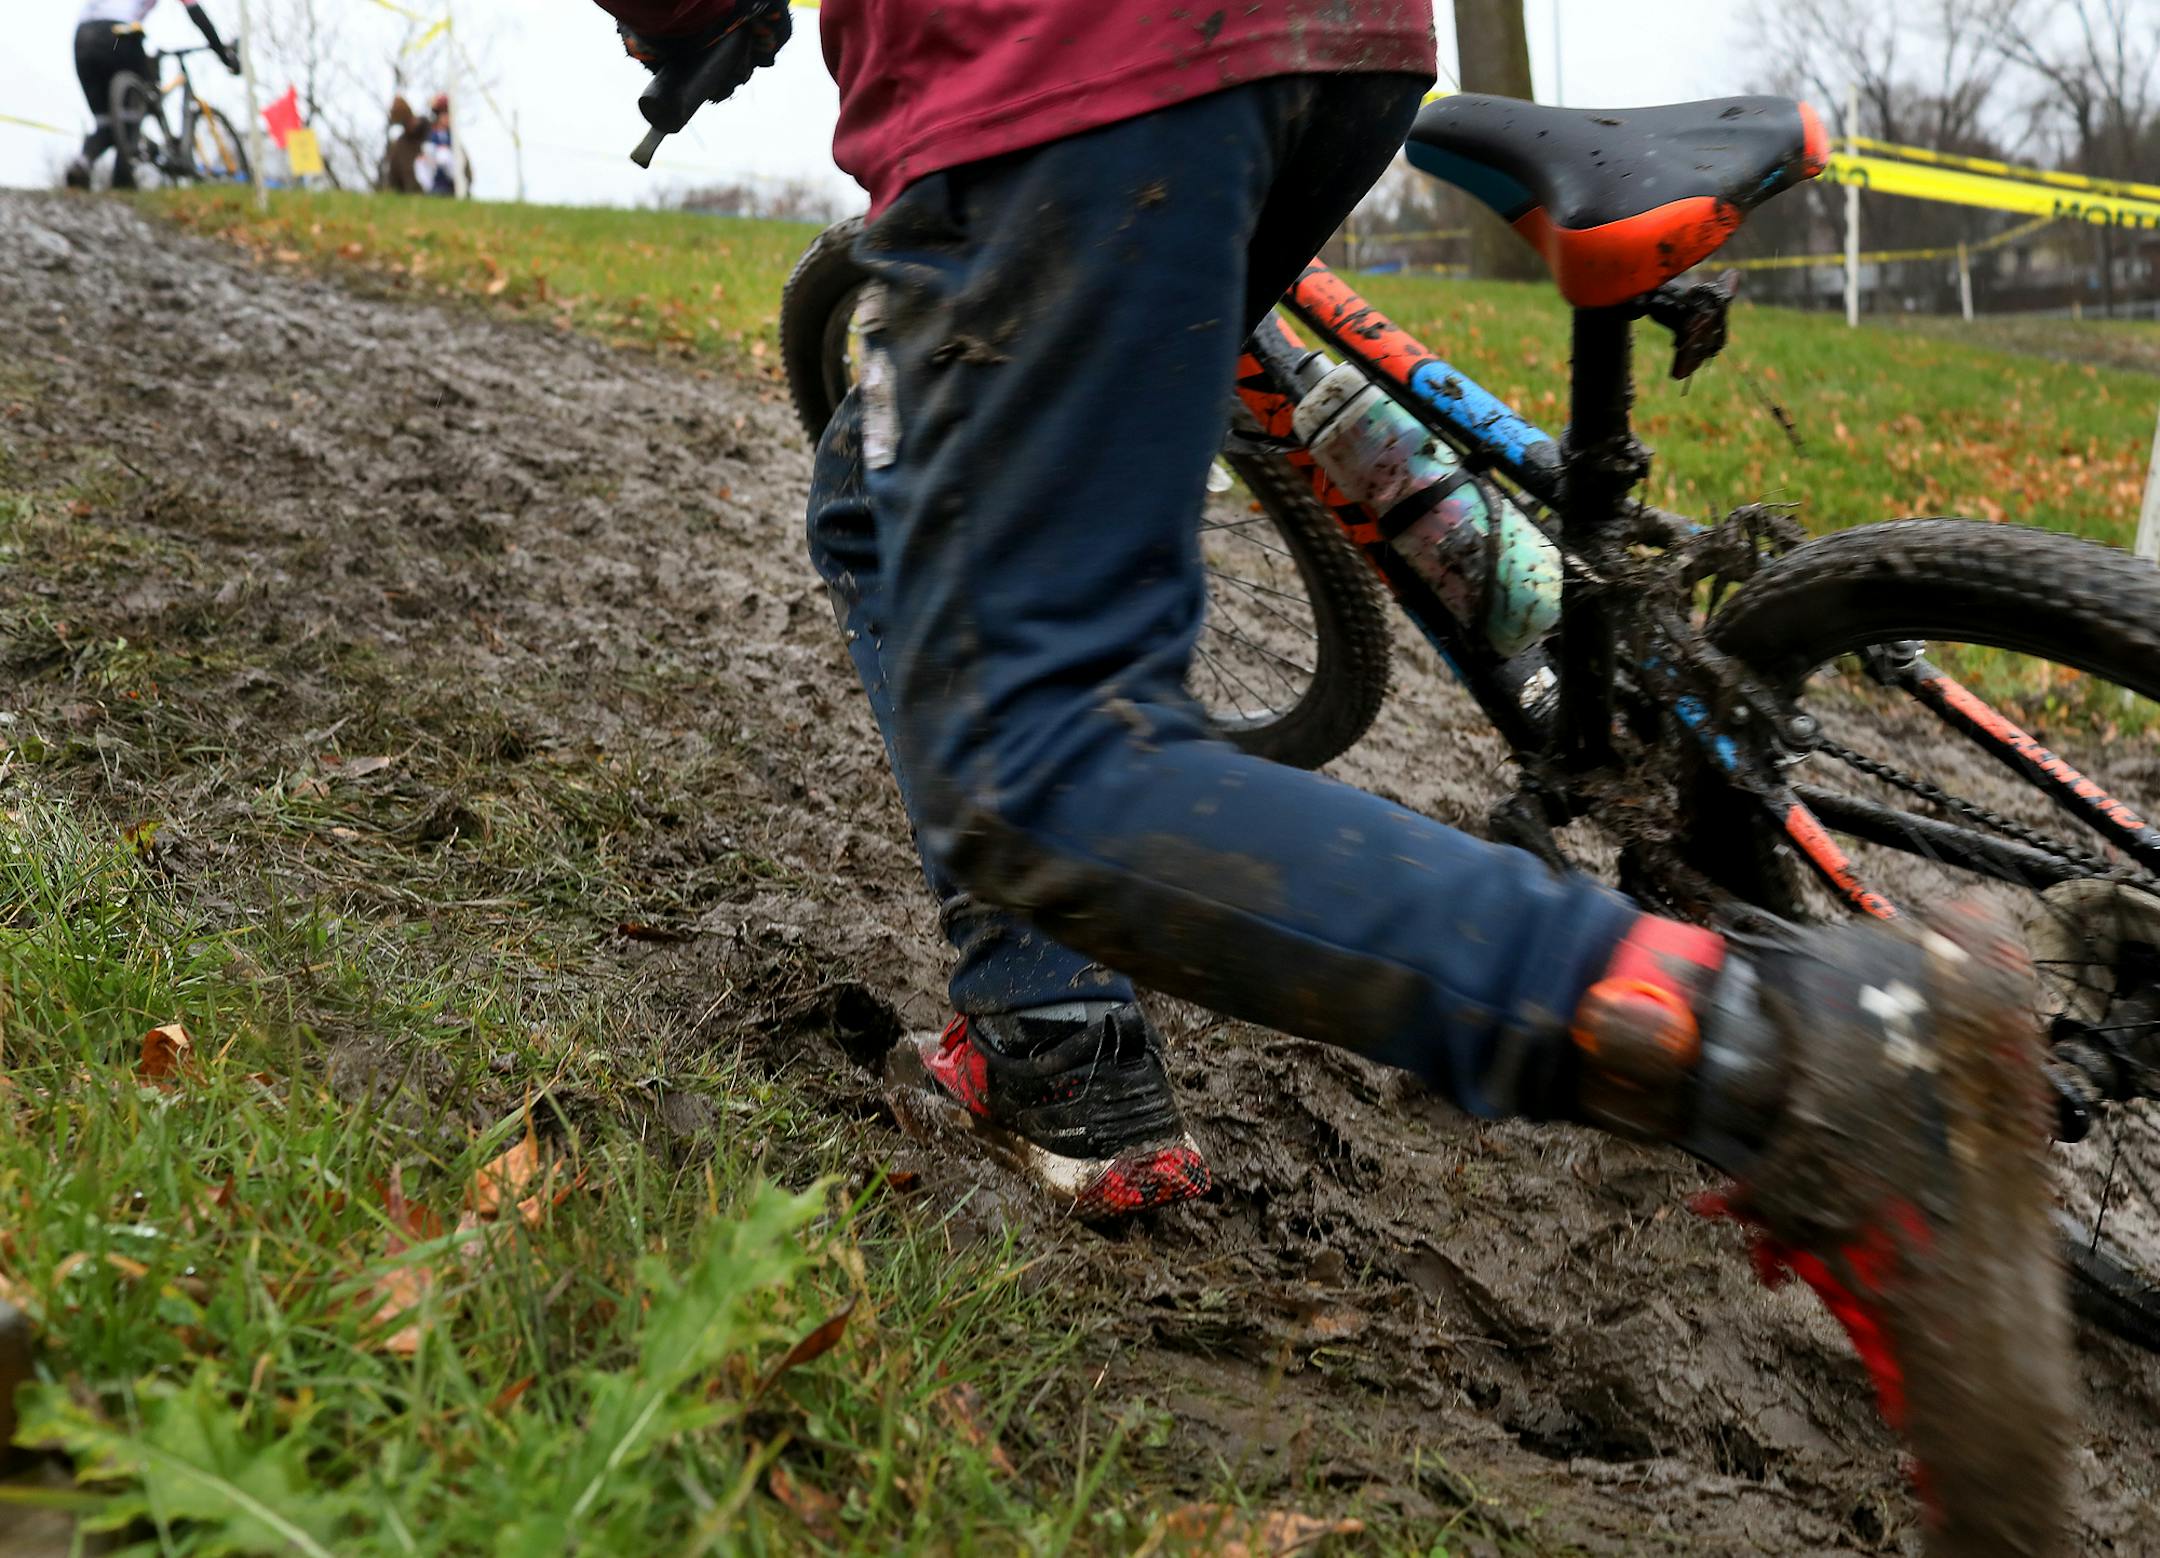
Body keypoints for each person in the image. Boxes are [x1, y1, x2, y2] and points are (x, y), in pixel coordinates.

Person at [592, 2, 2071, 1539]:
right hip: (1336, 40)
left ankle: (1791, 1054)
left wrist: (685, 25)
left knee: (1044, 767)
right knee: (872, 500)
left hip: (1061, 58)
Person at [65, 0, 238, 190]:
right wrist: (223, 54)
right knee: (133, 111)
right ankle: (123, 180)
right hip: (119, 33)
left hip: (82, 39)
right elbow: (194, 10)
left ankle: (83, 162)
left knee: (106, 120)